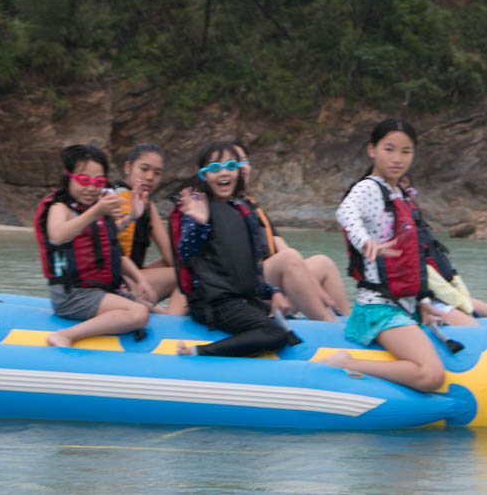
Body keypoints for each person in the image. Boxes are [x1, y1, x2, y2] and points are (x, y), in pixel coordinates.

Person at [173, 141, 332, 358]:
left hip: (241, 299)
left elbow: (251, 269)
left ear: (238, 171)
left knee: (283, 319)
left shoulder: (243, 211)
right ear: (203, 176)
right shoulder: (198, 211)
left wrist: (272, 292)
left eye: (230, 165)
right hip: (216, 304)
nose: (223, 172)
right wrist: (200, 222)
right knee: (274, 334)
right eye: (214, 168)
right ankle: (200, 351)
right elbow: (186, 252)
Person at [320, 119, 445, 392]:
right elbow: (346, 212)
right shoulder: (369, 188)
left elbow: (411, 258)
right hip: (378, 307)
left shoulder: (398, 193)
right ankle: (348, 363)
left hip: (403, 305)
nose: (397, 158)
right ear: (371, 150)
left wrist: (421, 299)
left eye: (406, 151)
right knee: (431, 376)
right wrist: (365, 242)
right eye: (389, 149)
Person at [34, 144, 151, 347]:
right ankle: (66, 335)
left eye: (98, 181)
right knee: (138, 313)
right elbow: (58, 236)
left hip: (97, 291)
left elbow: (113, 248)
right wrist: (96, 211)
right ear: (68, 177)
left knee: (149, 306)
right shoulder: (60, 207)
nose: (91, 187)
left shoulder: (94, 209)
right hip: (72, 295)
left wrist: (133, 215)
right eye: (83, 180)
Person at [233, 142, 351, 317]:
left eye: (244, 160)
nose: (241, 166)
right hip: (242, 286)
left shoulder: (253, 208)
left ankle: (345, 326)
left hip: (266, 280)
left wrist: (313, 286)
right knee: (289, 258)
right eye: (233, 162)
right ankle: (325, 321)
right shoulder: (220, 208)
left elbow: (283, 248)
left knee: (323, 263)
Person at [398, 175, 487, 320]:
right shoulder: (389, 222)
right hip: (420, 299)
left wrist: (457, 296)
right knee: (470, 323)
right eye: (401, 187)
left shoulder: (415, 221)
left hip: (441, 292)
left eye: (409, 189)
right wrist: (424, 300)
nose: (406, 193)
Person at [112, 143, 178, 306]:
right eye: (144, 169)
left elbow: (170, 254)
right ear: (128, 167)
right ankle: (172, 317)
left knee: (182, 263)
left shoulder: (148, 206)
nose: (150, 177)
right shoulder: (111, 198)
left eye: (157, 173)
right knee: (186, 274)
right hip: (114, 278)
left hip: (133, 275)